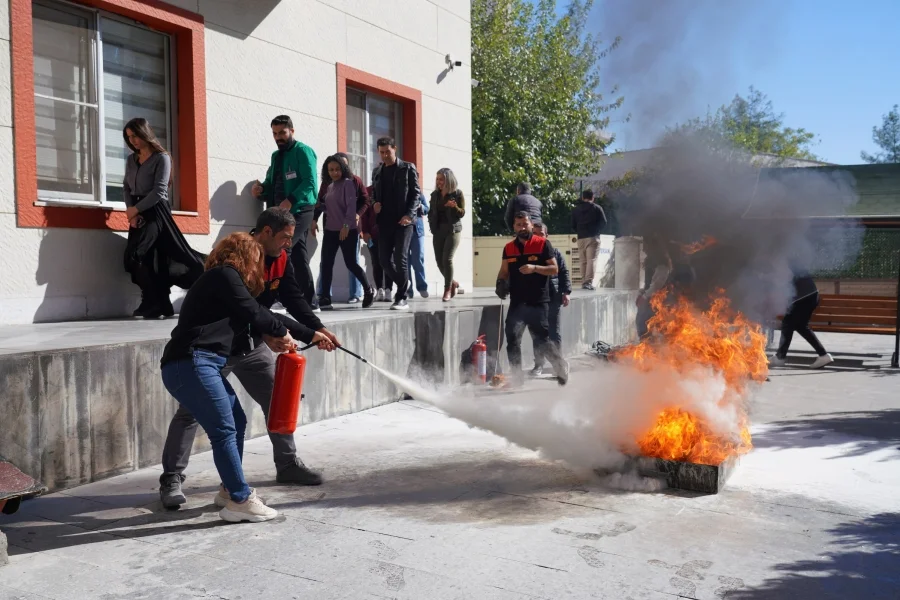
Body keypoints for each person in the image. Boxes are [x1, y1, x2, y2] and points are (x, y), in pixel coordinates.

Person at [159, 209, 342, 510]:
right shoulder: (234, 265)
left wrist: (315, 331)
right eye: (284, 238)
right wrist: (275, 331)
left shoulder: (279, 259)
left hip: (251, 344)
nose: (287, 245)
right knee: (194, 412)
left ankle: (285, 465)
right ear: (265, 233)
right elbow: (252, 310)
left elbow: (287, 302)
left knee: (277, 400)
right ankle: (172, 479)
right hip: (212, 350)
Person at [122, 117, 205, 319]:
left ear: (145, 133)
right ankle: (157, 303)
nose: (133, 141)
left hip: (156, 211)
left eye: (136, 135)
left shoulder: (162, 158)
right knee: (151, 259)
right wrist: (130, 210)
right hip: (138, 211)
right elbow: (126, 186)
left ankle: (207, 273)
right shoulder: (131, 160)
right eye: (129, 137)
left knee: (137, 255)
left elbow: (159, 191)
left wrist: (136, 209)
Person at [251, 115, 318, 308]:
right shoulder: (276, 155)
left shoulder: (303, 151)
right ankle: (310, 301)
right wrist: (261, 190)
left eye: (282, 132)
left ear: (292, 131)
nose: (278, 137)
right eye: (274, 133)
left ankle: (277, 296)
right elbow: (271, 183)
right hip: (279, 213)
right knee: (298, 255)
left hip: (300, 209)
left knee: (280, 249)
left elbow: (310, 182)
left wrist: (291, 200)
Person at [495, 212, 569, 386]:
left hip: (538, 302)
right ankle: (517, 378)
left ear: (531, 225)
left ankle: (561, 368)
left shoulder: (542, 244)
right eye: (518, 224)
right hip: (517, 303)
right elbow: (504, 271)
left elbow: (554, 269)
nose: (522, 227)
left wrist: (534, 268)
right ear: (514, 227)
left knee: (542, 341)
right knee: (512, 339)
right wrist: (500, 283)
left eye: (525, 224)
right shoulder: (508, 248)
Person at [313, 156, 375, 309]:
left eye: (337, 169)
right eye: (331, 170)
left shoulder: (348, 183)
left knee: (351, 263)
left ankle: (368, 290)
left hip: (348, 230)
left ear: (343, 169)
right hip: (330, 230)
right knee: (326, 263)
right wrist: (315, 216)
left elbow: (351, 206)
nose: (335, 173)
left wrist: (347, 225)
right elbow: (328, 206)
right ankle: (325, 297)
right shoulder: (329, 185)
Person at [371, 137, 421, 310]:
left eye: (388, 152)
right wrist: (374, 204)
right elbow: (374, 195)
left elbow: (416, 194)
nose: (385, 155)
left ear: (395, 149)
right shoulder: (377, 172)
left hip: (404, 221)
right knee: (384, 260)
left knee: (401, 258)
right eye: (382, 152)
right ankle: (403, 284)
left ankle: (401, 297)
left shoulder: (407, 168)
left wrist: (409, 214)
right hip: (384, 222)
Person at [769, 272, 834, 369]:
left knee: (788, 323)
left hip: (803, 298)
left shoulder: (783, 261)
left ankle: (780, 357)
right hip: (810, 295)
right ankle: (823, 356)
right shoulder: (790, 260)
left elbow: (782, 281)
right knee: (799, 326)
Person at [530, 222, 571, 376]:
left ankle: (558, 365)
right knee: (537, 334)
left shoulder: (555, 253)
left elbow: (564, 273)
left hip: (553, 298)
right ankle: (538, 365)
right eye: (535, 234)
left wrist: (566, 292)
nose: (539, 237)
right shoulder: (529, 255)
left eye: (541, 234)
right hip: (535, 299)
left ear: (547, 236)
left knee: (554, 332)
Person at [428, 167, 465, 302]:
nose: (439, 182)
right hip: (438, 230)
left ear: (448, 180)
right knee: (439, 262)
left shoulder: (457, 194)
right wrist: (432, 226)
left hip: (453, 230)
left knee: (447, 259)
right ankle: (453, 282)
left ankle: (447, 289)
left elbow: (462, 213)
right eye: (437, 179)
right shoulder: (434, 195)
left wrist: (453, 207)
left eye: (441, 179)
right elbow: (432, 212)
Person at [570, 189, 608, 290]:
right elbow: (604, 222)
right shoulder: (597, 208)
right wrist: (596, 230)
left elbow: (573, 225)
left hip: (581, 238)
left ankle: (584, 282)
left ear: (583, 198)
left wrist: (579, 231)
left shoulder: (576, 209)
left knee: (583, 261)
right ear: (593, 198)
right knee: (591, 260)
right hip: (593, 237)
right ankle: (588, 282)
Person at [360, 184, 392, 301]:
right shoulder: (368, 191)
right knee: (376, 261)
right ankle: (380, 289)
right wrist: (365, 231)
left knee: (388, 261)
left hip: (388, 233)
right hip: (373, 234)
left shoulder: (391, 190)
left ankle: (389, 289)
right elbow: (364, 213)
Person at [407, 192, 430, 299]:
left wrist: (421, 206)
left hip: (418, 230)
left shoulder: (419, 194)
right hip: (404, 229)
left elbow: (427, 209)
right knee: (404, 261)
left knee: (418, 258)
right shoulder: (401, 191)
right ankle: (408, 289)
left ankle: (422, 287)